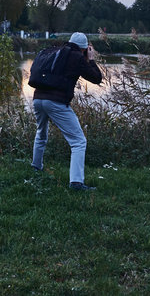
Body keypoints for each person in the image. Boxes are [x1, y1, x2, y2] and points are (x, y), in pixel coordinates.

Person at [31, 32, 102, 190]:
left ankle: (36, 167)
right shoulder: (76, 57)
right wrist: (91, 59)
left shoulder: (55, 52)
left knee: (41, 133)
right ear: (84, 48)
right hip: (55, 101)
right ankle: (76, 182)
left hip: (37, 99)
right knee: (78, 142)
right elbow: (96, 78)